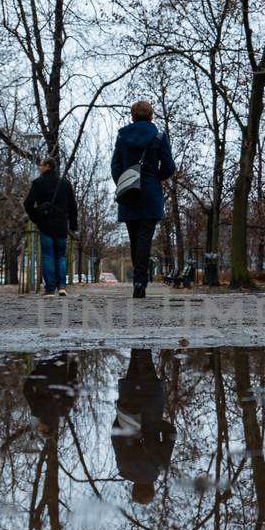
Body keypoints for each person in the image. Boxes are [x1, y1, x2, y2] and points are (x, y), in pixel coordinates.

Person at [110, 100, 176, 299]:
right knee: (145, 237)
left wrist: (125, 183)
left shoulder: (122, 136)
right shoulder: (158, 136)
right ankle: (140, 281)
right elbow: (169, 167)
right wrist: (155, 177)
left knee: (134, 238)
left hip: (129, 194)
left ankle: (138, 280)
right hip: (150, 193)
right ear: (150, 115)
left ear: (133, 115)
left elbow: (115, 165)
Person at [111, 348, 176, 503]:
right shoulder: (124, 468)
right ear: (134, 489)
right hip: (129, 405)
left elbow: (171, 433)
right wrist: (124, 417)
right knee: (135, 358)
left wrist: (154, 424)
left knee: (146, 357)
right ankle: (136, 332)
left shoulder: (159, 466)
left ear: (151, 488)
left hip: (151, 402)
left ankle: (144, 330)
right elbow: (115, 436)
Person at [24, 156, 78, 296]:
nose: (39, 167)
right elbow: (73, 207)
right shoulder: (65, 183)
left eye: (41, 165)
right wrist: (73, 226)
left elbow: (28, 204)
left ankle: (49, 289)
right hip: (61, 226)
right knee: (61, 256)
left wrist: (35, 216)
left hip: (45, 225)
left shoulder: (38, 183)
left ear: (48, 166)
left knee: (48, 256)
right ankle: (62, 287)